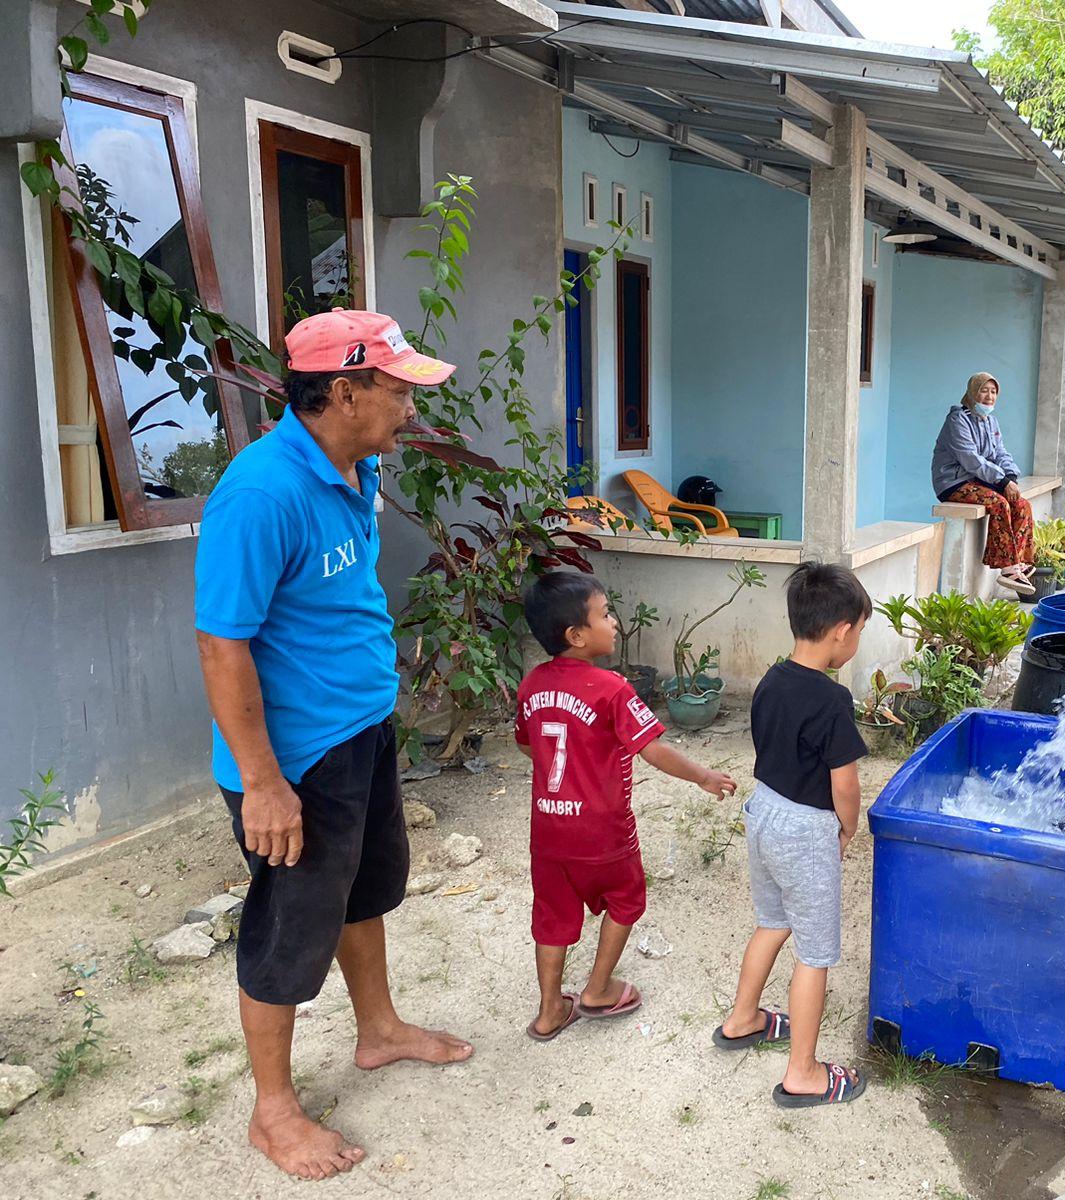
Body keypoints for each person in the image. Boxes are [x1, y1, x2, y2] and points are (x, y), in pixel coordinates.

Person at [195, 309, 472, 1181]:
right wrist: (263, 782)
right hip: (296, 762)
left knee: (364, 891)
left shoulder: (350, 468)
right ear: (343, 391)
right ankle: (272, 1113)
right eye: (397, 390)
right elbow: (221, 643)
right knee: (289, 926)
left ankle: (379, 1030)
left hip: (360, 733)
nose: (408, 407)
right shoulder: (261, 494)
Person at [516, 572, 736, 1039]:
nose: (614, 622)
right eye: (605, 614)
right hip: (603, 830)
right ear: (576, 635)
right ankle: (598, 989)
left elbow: (527, 744)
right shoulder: (612, 688)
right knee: (625, 898)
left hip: (549, 833)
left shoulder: (532, 684)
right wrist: (703, 776)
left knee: (553, 914)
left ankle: (550, 1010)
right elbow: (653, 749)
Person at [715, 562, 873, 1108]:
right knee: (815, 952)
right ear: (842, 631)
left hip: (763, 813)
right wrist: (847, 828)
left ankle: (743, 1018)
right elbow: (845, 784)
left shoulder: (770, 680)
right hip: (806, 830)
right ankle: (802, 1072)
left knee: (772, 921)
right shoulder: (831, 701)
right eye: (861, 632)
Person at [931, 372, 1036, 595]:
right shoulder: (957, 420)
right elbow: (970, 458)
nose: (989, 396)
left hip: (978, 480)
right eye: (984, 390)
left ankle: (1018, 563)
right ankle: (1007, 567)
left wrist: (1010, 476)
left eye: (994, 391)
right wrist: (1001, 480)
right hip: (954, 482)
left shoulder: (990, 421)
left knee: (1021, 504)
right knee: (999, 503)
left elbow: (1000, 452)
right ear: (972, 392)